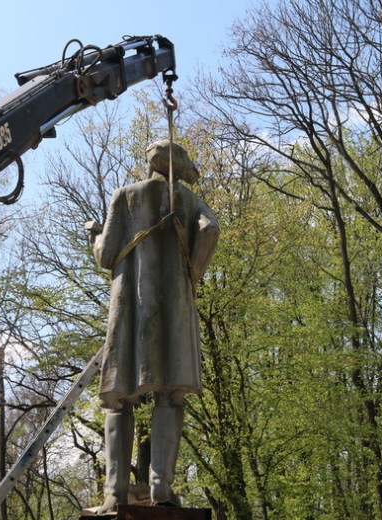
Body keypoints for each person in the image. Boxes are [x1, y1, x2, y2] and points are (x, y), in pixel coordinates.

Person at [85, 140, 220, 513]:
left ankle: (115, 492)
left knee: (119, 400)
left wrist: (94, 235)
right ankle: (162, 487)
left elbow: (106, 255)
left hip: (131, 307)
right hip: (173, 307)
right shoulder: (189, 200)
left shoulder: (125, 196)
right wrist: (193, 271)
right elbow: (210, 231)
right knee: (170, 395)